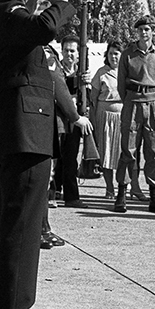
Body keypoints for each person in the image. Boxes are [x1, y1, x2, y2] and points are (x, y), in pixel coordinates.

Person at [0, 0, 90, 309]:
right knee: (22, 229)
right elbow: (46, 26)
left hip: (9, 135)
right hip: (24, 137)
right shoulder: (10, 16)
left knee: (14, 227)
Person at [113, 15, 155, 214]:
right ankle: (121, 194)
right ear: (136, 32)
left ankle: (154, 196)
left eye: (147, 29)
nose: (143, 33)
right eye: (140, 30)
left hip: (152, 104)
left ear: (153, 31)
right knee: (128, 150)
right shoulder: (127, 55)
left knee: (154, 152)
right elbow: (121, 84)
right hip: (133, 102)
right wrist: (130, 100)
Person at [53, 34, 89, 208]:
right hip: (58, 118)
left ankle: (71, 195)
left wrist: (86, 85)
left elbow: (86, 98)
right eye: (66, 50)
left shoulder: (83, 73)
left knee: (70, 157)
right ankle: (54, 191)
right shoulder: (56, 70)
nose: (69, 54)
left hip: (74, 121)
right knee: (57, 156)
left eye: (73, 51)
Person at [90, 41, 125, 199]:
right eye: (110, 53)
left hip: (123, 116)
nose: (113, 57)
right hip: (104, 116)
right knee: (107, 152)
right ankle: (109, 187)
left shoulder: (126, 72)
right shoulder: (101, 73)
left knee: (123, 152)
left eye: (116, 53)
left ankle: (123, 187)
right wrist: (94, 120)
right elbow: (94, 99)